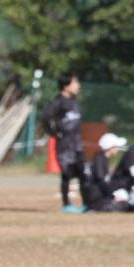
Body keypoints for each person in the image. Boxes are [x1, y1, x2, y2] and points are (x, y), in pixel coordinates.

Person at [43, 72, 86, 213]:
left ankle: (87, 203)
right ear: (66, 86)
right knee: (67, 174)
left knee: (83, 173)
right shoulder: (59, 102)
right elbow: (46, 118)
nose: (78, 86)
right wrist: (55, 133)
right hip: (65, 146)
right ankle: (67, 205)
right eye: (75, 83)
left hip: (77, 144)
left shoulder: (73, 100)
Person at [82, 133, 130, 212]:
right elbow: (101, 181)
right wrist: (113, 196)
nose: (118, 149)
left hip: (99, 197)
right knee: (124, 205)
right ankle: (92, 209)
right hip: (95, 200)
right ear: (110, 147)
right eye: (116, 146)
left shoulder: (102, 159)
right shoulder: (99, 160)